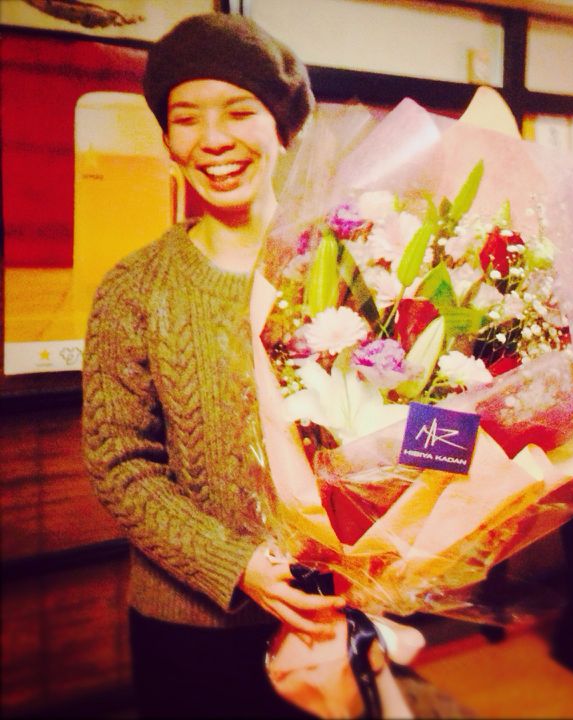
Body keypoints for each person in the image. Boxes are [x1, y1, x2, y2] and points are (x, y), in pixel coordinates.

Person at [81, 13, 346, 719]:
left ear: (282, 127)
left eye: (238, 110)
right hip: (188, 626)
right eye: (186, 117)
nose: (214, 139)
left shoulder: (345, 266)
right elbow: (119, 463)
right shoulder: (135, 287)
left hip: (329, 610)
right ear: (168, 139)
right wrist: (238, 564)